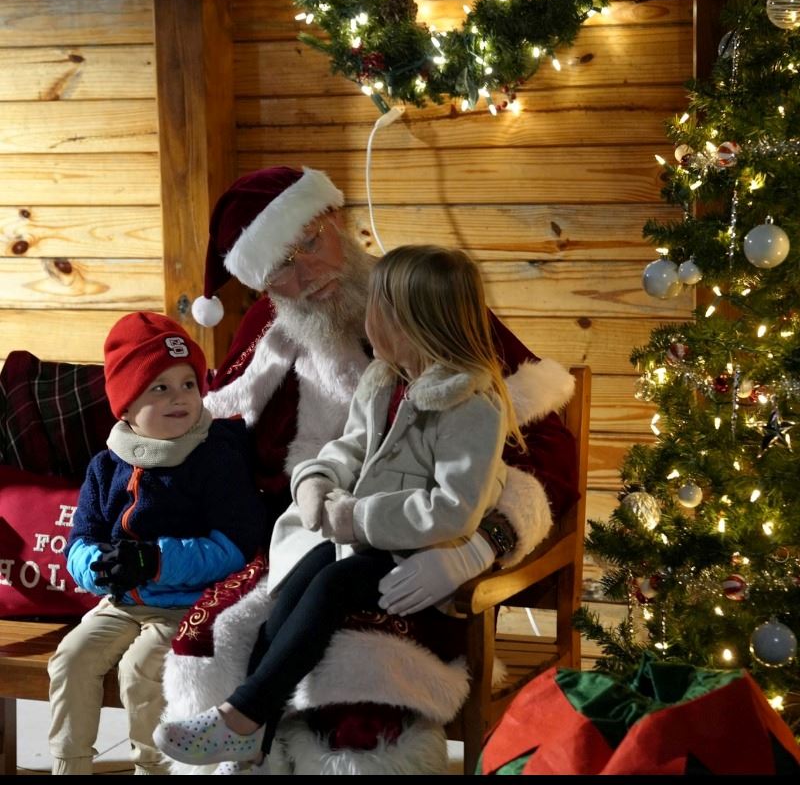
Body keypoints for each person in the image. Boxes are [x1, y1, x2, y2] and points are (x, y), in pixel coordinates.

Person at [161, 166, 579, 774]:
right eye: (281, 267)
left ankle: (252, 723)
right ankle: (245, 730)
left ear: (338, 221)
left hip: (417, 550)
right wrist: (312, 481)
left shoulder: (435, 319)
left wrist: (480, 547)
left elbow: (540, 457)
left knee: (356, 661)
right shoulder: (311, 351)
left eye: (310, 242)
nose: (306, 274)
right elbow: (281, 448)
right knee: (228, 629)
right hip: (316, 531)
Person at [47, 311, 264, 775]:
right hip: (120, 602)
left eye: (188, 384)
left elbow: (235, 547)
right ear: (126, 406)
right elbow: (80, 540)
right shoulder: (106, 466)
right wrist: (98, 565)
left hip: (184, 603)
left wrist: (155, 560)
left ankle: (153, 768)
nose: (179, 397)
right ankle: (70, 764)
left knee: (142, 669)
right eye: (159, 387)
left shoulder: (215, 457)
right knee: (71, 657)